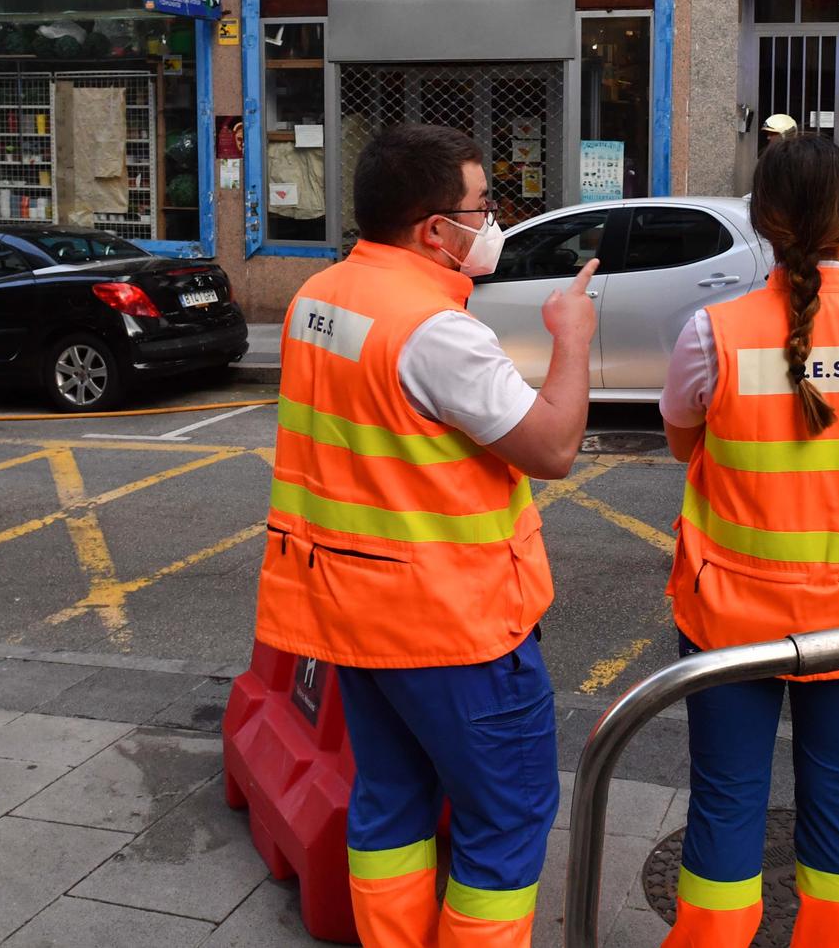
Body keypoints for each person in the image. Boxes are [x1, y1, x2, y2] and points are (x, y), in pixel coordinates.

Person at [251, 123, 599, 948]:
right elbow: (551, 447)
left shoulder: (318, 299)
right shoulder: (436, 331)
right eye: (483, 206)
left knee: (391, 800)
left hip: (350, 612)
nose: (494, 222)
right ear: (433, 231)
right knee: (506, 818)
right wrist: (573, 339)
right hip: (455, 626)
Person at [657, 134, 839, 948]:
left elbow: (680, 441)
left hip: (730, 618)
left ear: (761, 219)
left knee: (728, 798)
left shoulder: (714, 332)